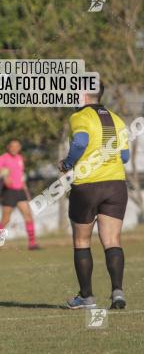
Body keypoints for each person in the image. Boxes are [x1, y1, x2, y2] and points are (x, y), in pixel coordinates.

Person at [61, 87, 129, 310]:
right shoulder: (117, 119)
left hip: (88, 185)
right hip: (116, 184)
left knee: (82, 241)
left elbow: (80, 142)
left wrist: (67, 163)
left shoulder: (80, 116)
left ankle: (87, 297)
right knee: (112, 241)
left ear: (83, 95)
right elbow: (125, 156)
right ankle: (117, 292)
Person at [0, 140, 39, 251]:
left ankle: (32, 244)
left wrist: (27, 193)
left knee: (28, 216)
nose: (14, 148)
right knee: (5, 219)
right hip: (8, 192)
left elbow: (21, 177)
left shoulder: (20, 159)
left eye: (17, 146)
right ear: (8, 147)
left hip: (20, 191)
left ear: (20, 147)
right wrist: (3, 175)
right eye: (12, 146)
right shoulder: (3, 158)